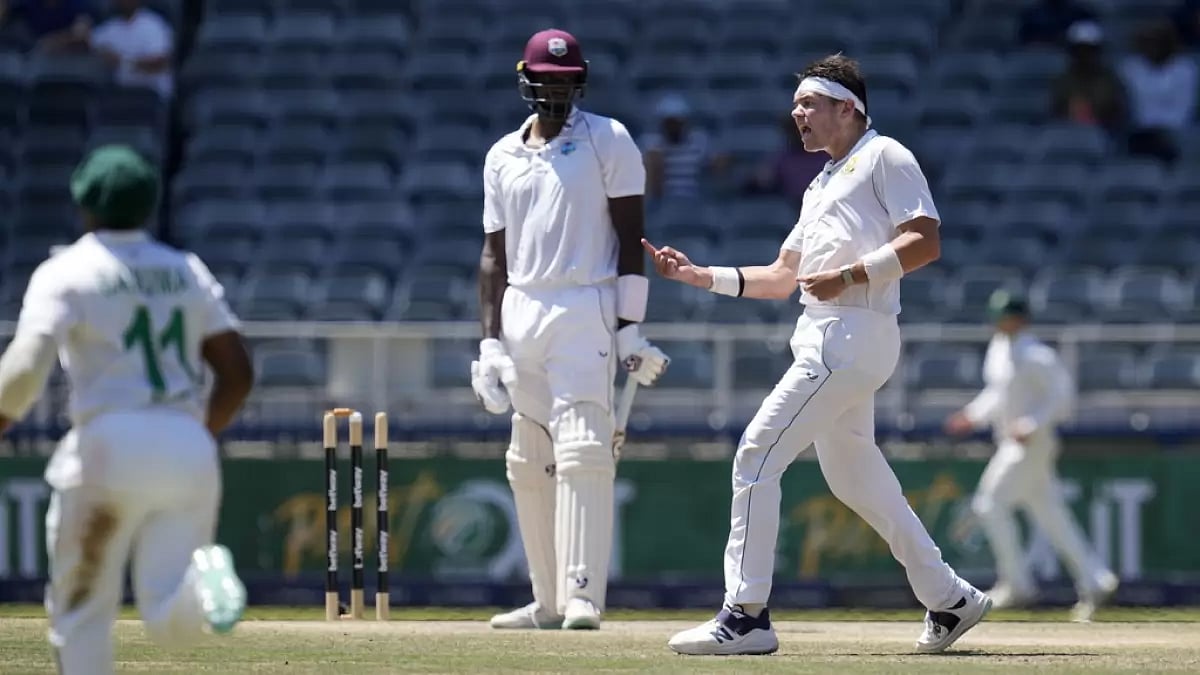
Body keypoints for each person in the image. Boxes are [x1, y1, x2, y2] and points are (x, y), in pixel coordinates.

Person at [644, 54, 990, 656]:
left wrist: (851, 276)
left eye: (809, 103)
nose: (797, 113)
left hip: (849, 336)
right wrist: (702, 277)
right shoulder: (822, 182)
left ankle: (746, 615)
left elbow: (925, 240)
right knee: (855, 479)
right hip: (833, 336)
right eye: (796, 104)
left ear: (847, 108)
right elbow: (783, 276)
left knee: (756, 454)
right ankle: (949, 597)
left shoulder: (886, 156)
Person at [0, 145, 254, 674]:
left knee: (82, 613)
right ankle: (200, 587)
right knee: (168, 615)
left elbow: (25, 367)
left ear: (83, 205)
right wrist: (197, 434)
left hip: (106, 446)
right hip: (187, 448)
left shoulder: (66, 270)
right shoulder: (185, 270)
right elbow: (237, 371)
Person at [472, 29, 669, 631]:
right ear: (526, 80)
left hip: (585, 304)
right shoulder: (502, 155)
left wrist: (630, 329)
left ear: (578, 80)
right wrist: (487, 343)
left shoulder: (608, 140)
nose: (556, 88)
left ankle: (583, 594)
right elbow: (492, 256)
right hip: (521, 310)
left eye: (565, 79)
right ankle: (548, 600)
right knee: (527, 459)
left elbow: (632, 242)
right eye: (546, 78)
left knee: (583, 447)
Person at [944, 291, 1119, 623]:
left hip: (1030, 445)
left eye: (1007, 316)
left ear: (1021, 318)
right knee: (1052, 515)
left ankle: (1017, 583)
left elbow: (1062, 397)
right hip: (1011, 442)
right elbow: (997, 395)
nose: (1001, 322)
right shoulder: (998, 350)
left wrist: (1032, 424)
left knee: (990, 504)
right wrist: (971, 415)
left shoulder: (1037, 355)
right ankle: (1096, 580)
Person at [1119, 19, 1197, 165]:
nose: (1152, 46)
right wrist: (1149, 128)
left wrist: (1163, 130)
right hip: (1139, 132)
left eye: (1157, 41)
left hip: (1175, 133)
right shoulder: (1129, 68)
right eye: (1148, 41)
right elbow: (1133, 107)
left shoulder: (1186, 69)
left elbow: (1184, 108)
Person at [1050, 21, 1128, 139]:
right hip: (1068, 134)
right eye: (1079, 50)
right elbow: (1055, 111)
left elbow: (1119, 112)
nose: (1084, 55)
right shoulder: (1062, 80)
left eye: (1089, 50)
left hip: (1105, 135)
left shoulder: (1110, 79)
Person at [89, 0, 174, 99]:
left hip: (152, 95)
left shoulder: (154, 25)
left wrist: (123, 62)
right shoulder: (110, 27)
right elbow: (87, 42)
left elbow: (159, 63)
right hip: (121, 94)